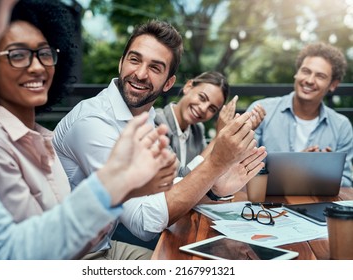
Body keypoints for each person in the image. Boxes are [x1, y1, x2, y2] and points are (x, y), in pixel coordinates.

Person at [0, 0, 172, 259]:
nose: (37, 66)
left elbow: (68, 234)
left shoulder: (44, 138)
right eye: (17, 55)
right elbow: (29, 254)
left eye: (45, 53)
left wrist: (121, 186)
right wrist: (116, 186)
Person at [53, 20, 267, 254]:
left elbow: (169, 185)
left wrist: (215, 188)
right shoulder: (93, 123)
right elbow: (143, 222)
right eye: (135, 60)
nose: (140, 74)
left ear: (168, 83)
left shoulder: (146, 117)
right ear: (121, 62)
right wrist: (216, 164)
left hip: (104, 245)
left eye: (155, 68)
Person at [247, 42, 353, 187]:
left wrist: (325, 171)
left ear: (333, 84)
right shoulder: (261, 111)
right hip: (266, 206)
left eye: (320, 76)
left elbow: (347, 182)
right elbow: (243, 168)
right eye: (306, 71)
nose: (309, 80)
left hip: (318, 206)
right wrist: (298, 168)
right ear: (297, 73)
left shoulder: (342, 126)